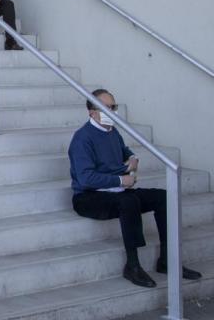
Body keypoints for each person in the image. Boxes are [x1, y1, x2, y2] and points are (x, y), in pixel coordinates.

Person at [69, 88, 202, 288]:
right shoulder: (82, 138)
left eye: (114, 107)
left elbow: (125, 151)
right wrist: (121, 181)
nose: (112, 111)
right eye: (107, 107)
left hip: (117, 191)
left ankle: (168, 261)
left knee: (163, 197)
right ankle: (132, 265)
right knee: (128, 201)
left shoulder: (112, 131)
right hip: (88, 197)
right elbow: (86, 178)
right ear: (92, 112)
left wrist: (132, 158)